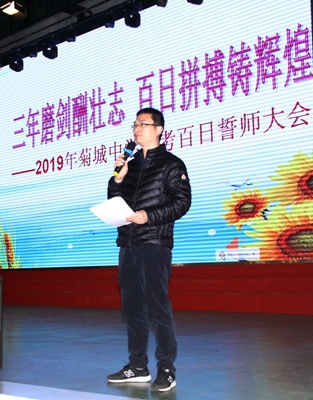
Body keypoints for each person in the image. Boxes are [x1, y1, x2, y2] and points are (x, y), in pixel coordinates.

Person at [106, 107, 191, 392]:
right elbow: (115, 200)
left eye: (143, 124)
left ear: (159, 129)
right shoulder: (129, 166)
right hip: (128, 244)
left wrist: (149, 216)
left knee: (157, 307)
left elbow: (182, 203)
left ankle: (166, 368)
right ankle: (137, 366)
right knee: (132, 308)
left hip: (154, 242)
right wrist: (118, 179)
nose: (137, 129)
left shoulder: (171, 164)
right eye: (135, 124)